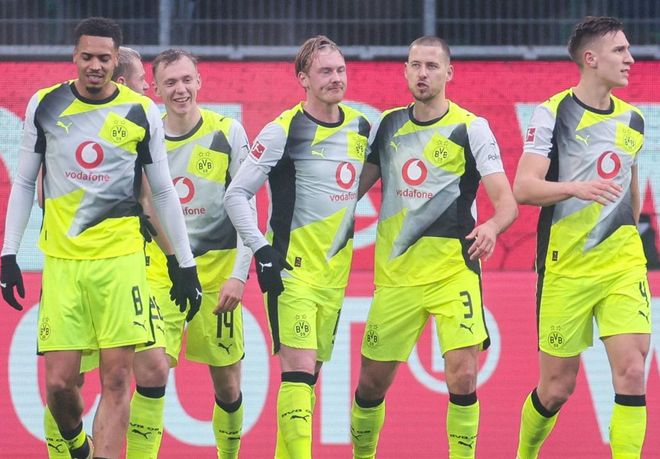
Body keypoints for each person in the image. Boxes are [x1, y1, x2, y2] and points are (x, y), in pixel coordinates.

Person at [0, 17, 201, 459]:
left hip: (121, 264)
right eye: (87, 56)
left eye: (104, 58)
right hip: (64, 264)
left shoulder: (140, 111)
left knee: (117, 379)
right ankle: (77, 446)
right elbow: (25, 182)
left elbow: (162, 192)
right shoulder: (45, 104)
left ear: (115, 60)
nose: (95, 65)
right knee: (59, 384)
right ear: (75, 56)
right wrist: (9, 252)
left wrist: (184, 263)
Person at [349, 36, 518, 459]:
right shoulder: (388, 125)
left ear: (448, 73)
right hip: (397, 278)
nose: (422, 73)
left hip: (453, 273)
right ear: (405, 71)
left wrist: (492, 227)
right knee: (370, 385)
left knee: (463, 376)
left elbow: (508, 204)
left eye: (431, 66)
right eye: (415, 65)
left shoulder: (471, 128)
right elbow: (350, 194)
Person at [225, 35, 370, 458]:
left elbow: (356, 188)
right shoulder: (282, 130)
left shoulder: (361, 127)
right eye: (325, 71)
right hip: (291, 272)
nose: (335, 78)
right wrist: (261, 250)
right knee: (299, 373)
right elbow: (236, 195)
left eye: (340, 70)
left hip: (334, 277)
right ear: (303, 78)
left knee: (307, 384)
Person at [513, 16, 650, 459]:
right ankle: (525, 453)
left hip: (622, 265)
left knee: (633, 371)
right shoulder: (553, 113)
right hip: (566, 269)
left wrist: (628, 238)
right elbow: (524, 188)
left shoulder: (634, 119)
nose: (630, 59)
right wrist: (575, 188)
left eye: (628, 49)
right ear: (590, 59)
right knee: (556, 388)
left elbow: (629, 189)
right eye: (619, 51)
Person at [143, 48, 252, 459]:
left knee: (228, 385)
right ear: (155, 89)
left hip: (217, 278)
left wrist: (239, 275)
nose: (180, 89)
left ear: (199, 81)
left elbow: (247, 208)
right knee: (152, 369)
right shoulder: (146, 136)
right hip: (162, 275)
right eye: (170, 82)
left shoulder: (228, 132)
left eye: (187, 80)